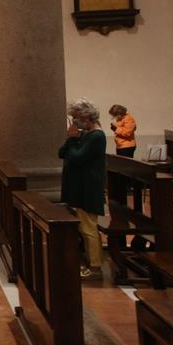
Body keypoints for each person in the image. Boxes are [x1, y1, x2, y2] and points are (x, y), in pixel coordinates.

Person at [60, 99, 107, 279]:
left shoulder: (96, 136)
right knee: (84, 227)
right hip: (80, 187)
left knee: (89, 228)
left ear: (86, 117)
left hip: (88, 187)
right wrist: (70, 139)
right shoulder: (85, 134)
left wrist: (72, 139)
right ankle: (90, 262)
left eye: (76, 117)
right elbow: (62, 153)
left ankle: (95, 267)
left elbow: (78, 158)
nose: (73, 121)